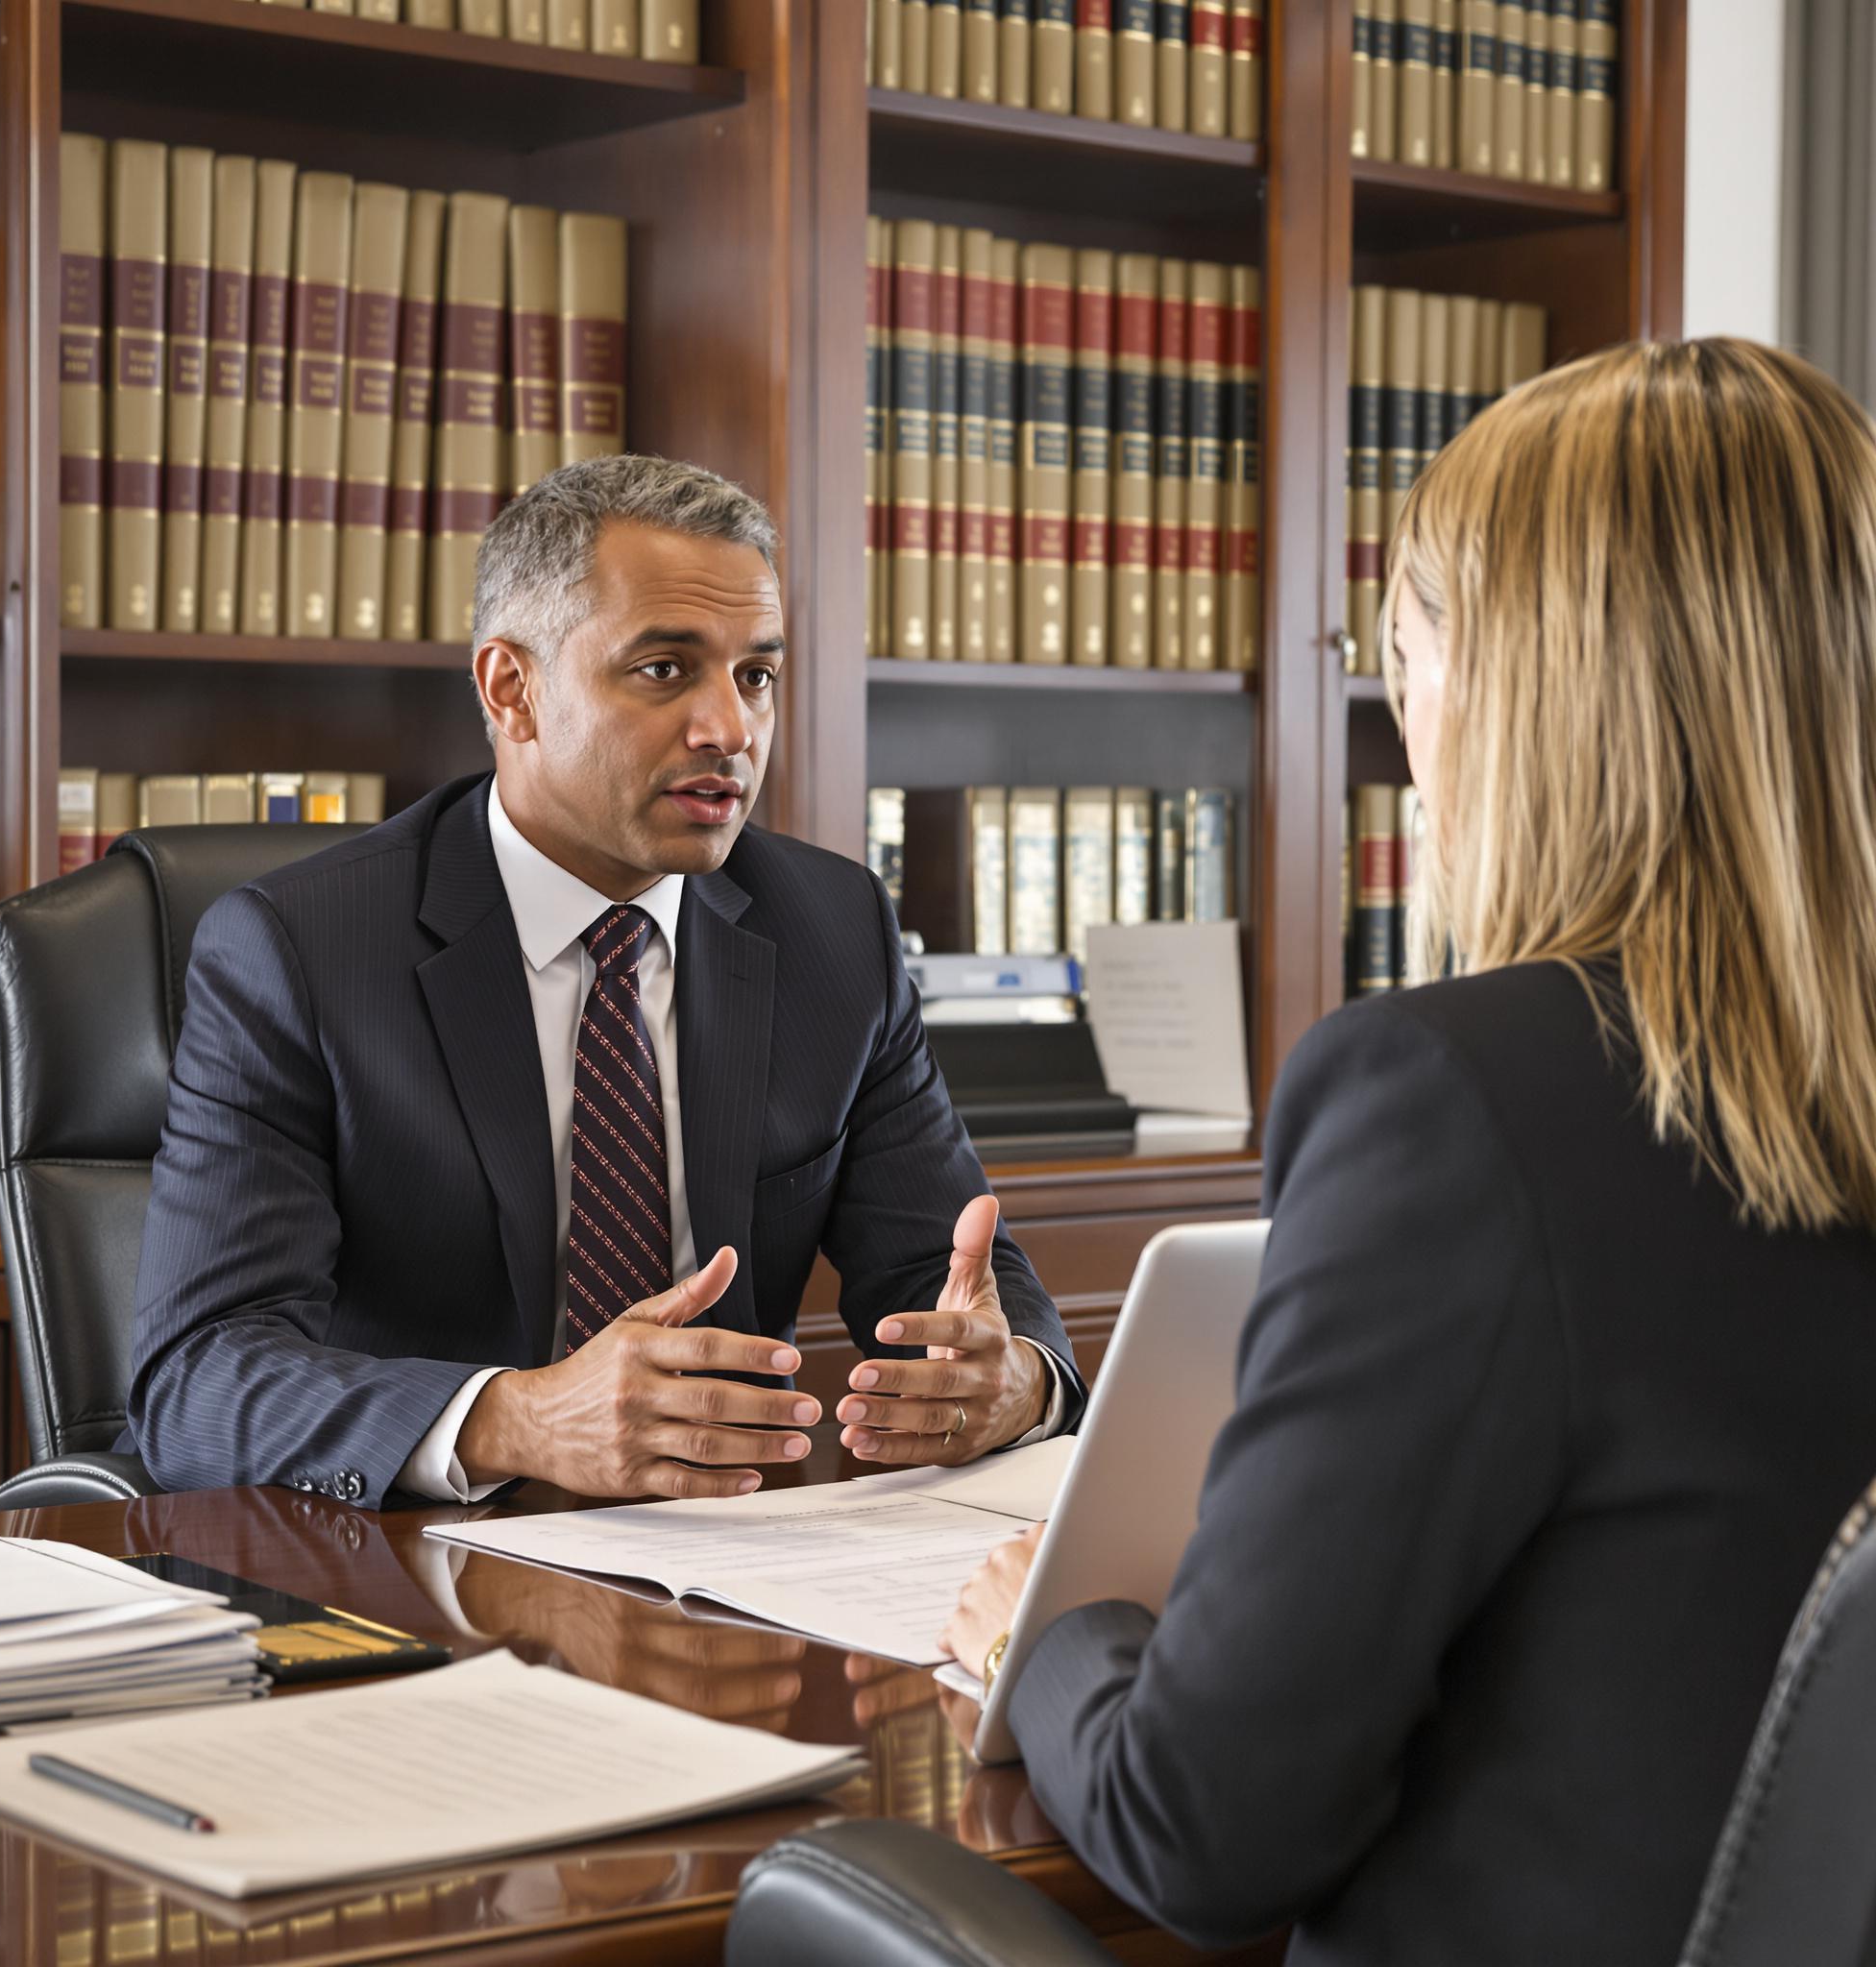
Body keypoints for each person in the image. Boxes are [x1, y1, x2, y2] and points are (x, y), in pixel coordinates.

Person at [942, 339, 1876, 1966]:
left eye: (1406, 646)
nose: (1395, 712)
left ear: (1527, 688)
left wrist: (1059, 1634)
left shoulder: (1460, 1097)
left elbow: (1200, 1827)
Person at [127, 455, 1081, 1507]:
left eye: (755, 673)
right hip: (414, 1564)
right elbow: (197, 1378)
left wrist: (1012, 1381)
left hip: (730, 1566)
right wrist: (524, 1417)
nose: (731, 727)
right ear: (511, 688)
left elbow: (951, 1281)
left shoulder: (832, 932)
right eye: (665, 669)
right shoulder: (297, 952)